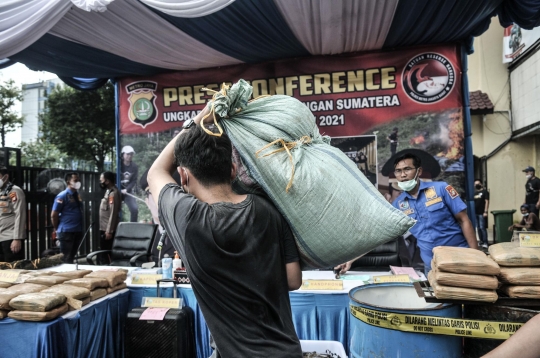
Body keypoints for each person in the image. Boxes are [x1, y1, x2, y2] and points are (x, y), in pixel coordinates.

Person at [148, 109, 303, 358]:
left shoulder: (188, 218)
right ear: (232, 170)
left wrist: (196, 122)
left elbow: (155, 172)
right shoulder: (267, 209)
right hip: (286, 351)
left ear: (183, 176)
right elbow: (293, 280)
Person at [391, 153, 478, 274]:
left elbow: (464, 220)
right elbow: (383, 233)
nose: (403, 175)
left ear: (419, 171)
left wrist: (476, 255)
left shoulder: (441, 189)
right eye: (398, 171)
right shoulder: (398, 204)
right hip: (431, 264)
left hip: (459, 257)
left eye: (407, 169)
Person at [51, 172, 83, 263]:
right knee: (66, 259)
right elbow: (54, 215)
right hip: (66, 232)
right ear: (68, 182)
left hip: (77, 230)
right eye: (76, 180)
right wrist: (56, 228)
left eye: (79, 180)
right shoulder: (62, 196)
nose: (78, 182)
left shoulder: (77, 195)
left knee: (72, 257)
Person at [0, 167, 26, 262]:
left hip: (10, 238)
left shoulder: (13, 192)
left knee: (13, 271)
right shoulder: (1, 192)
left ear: (5, 177)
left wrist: (17, 238)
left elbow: (20, 214)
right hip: (1, 237)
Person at [99, 171, 121, 255]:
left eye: (102, 180)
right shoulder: (108, 191)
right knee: (103, 251)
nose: (101, 182)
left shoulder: (113, 193)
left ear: (107, 181)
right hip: (104, 227)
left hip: (107, 230)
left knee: (107, 253)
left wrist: (109, 231)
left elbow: (113, 212)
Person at [121, 145, 139, 222]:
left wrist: (127, 189)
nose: (129, 156)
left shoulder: (134, 166)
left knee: (134, 209)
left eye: (131, 154)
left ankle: (133, 228)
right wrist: (119, 189)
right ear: (123, 154)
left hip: (128, 191)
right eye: (127, 154)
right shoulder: (119, 165)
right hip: (118, 191)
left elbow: (134, 181)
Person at [474, 179, 490, 248]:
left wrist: (485, 211)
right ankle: (481, 241)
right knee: (478, 228)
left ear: (481, 184)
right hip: (475, 213)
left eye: (478, 184)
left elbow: (487, 201)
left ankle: (485, 242)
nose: (476, 185)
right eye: (475, 184)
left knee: (482, 227)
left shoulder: (485, 192)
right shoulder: (474, 193)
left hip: (482, 213)